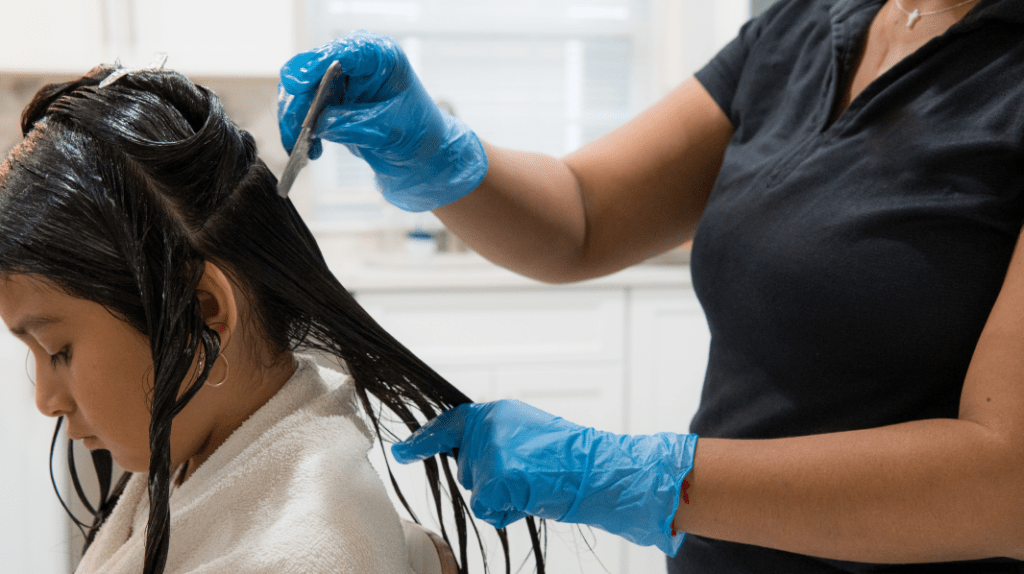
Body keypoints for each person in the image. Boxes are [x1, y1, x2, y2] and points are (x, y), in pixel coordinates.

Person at [275, 0, 1024, 572]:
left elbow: (1008, 482)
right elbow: (585, 216)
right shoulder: (802, 26)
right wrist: (434, 149)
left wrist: (644, 477)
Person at [0, 64, 542, 574]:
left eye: (58, 350)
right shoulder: (213, 453)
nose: (46, 399)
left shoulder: (297, 550)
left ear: (205, 309)